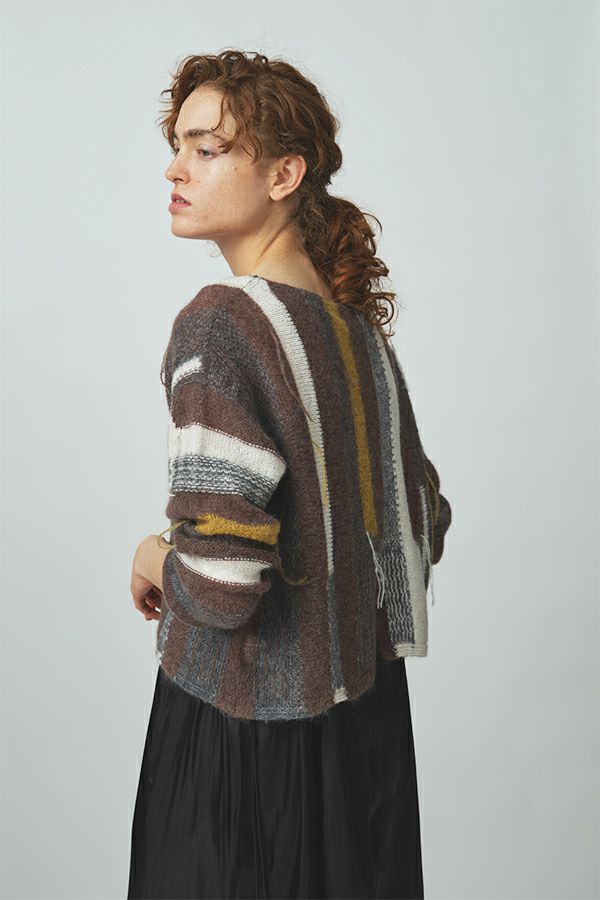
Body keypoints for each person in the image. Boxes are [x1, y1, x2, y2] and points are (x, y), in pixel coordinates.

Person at [127, 48, 452, 899]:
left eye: (207, 148)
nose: (176, 167)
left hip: (244, 753)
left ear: (284, 173)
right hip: (365, 740)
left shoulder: (222, 324)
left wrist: (156, 555)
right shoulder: (356, 337)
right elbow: (424, 519)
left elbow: (222, 585)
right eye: (177, 145)